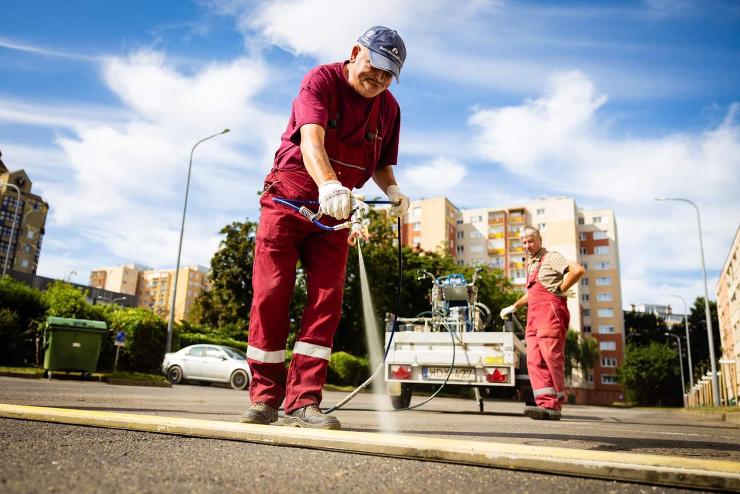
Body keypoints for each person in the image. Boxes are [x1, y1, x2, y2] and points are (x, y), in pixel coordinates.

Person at [240, 26, 409, 430]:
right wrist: (329, 184)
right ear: (355, 53)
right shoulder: (321, 81)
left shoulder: (390, 109)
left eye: (389, 74)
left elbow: (382, 162)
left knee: (327, 303)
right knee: (271, 296)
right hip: (288, 201)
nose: (379, 79)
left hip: (335, 213)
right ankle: (264, 399)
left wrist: (395, 189)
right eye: (375, 67)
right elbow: (312, 140)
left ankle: (304, 401)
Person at [500, 226, 585, 420]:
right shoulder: (532, 263)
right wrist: (514, 306)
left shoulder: (551, 257)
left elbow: (577, 270)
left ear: (539, 240)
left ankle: (555, 404)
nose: (527, 245)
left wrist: (560, 289)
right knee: (534, 360)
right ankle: (546, 405)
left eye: (530, 241)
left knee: (551, 357)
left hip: (550, 314)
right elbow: (532, 293)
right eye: (523, 242)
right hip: (534, 316)